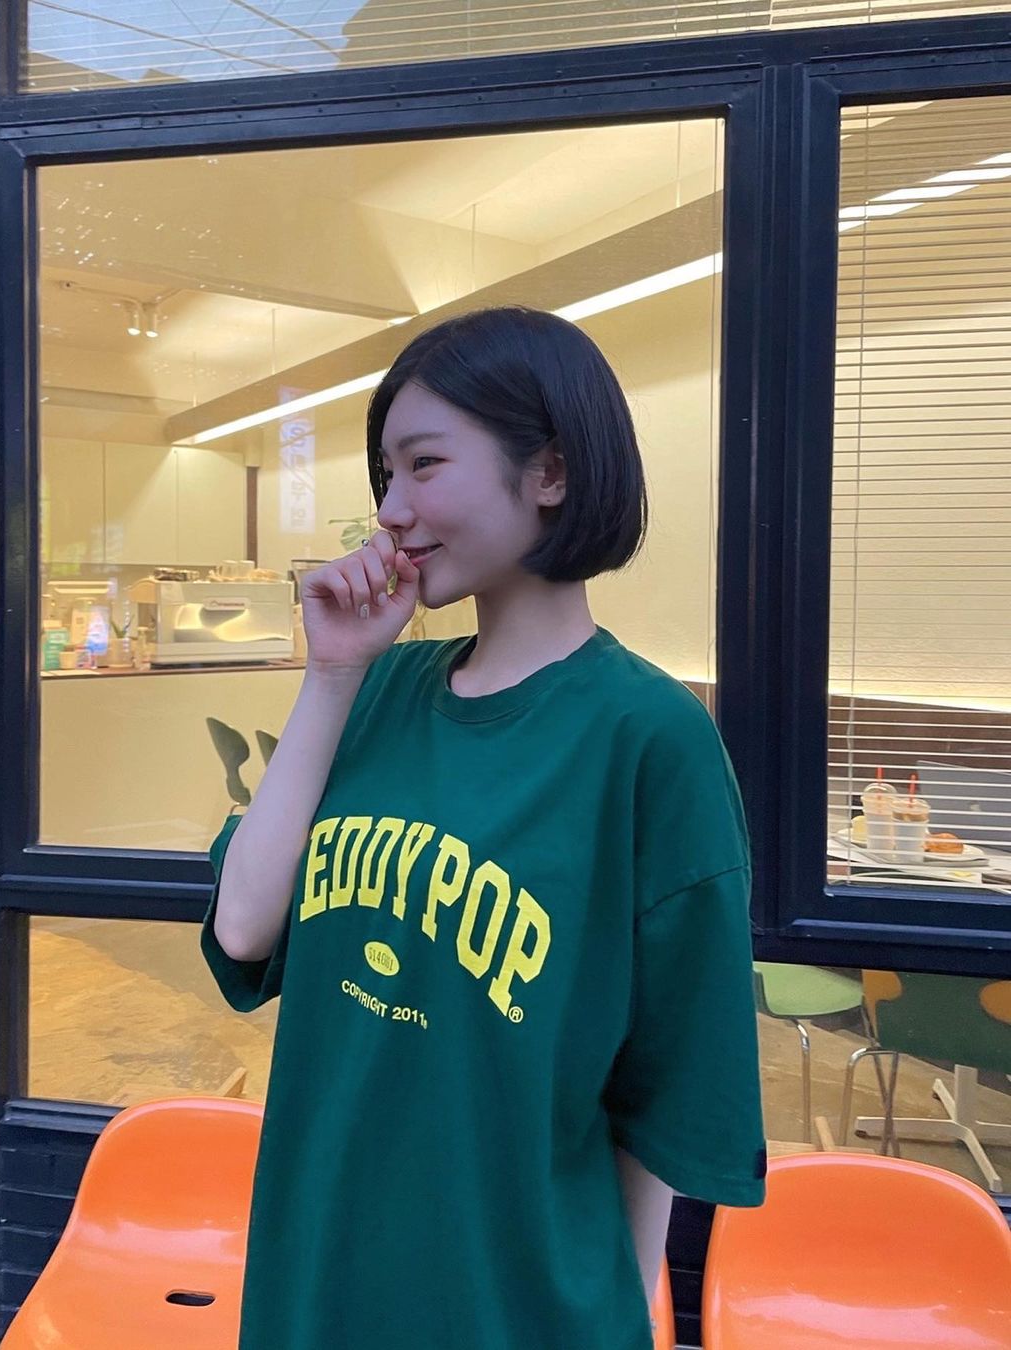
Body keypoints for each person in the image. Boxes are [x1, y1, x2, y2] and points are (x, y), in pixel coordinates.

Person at [200, 306, 767, 1350]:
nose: (390, 511)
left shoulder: (651, 738)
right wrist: (333, 674)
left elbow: (671, 1095)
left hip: (517, 1308)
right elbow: (242, 927)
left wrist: (618, 1314)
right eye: (386, 474)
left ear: (549, 471)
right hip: (314, 1277)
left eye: (424, 464)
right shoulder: (379, 689)